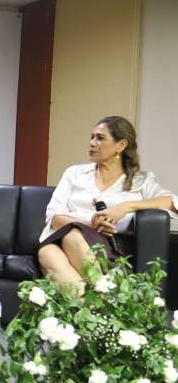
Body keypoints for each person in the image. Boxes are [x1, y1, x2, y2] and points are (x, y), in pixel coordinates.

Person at [37, 116, 178, 295]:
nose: (92, 143)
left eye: (100, 138)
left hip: (109, 249)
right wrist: (91, 225)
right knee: (47, 251)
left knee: (71, 236)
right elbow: (54, 216)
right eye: (92, 137)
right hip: (63, 239)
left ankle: (101, 305)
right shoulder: (74, 174)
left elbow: (173, 202)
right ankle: (105, 309)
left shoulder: (139, 181)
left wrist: (125, 207)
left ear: (121, 145)